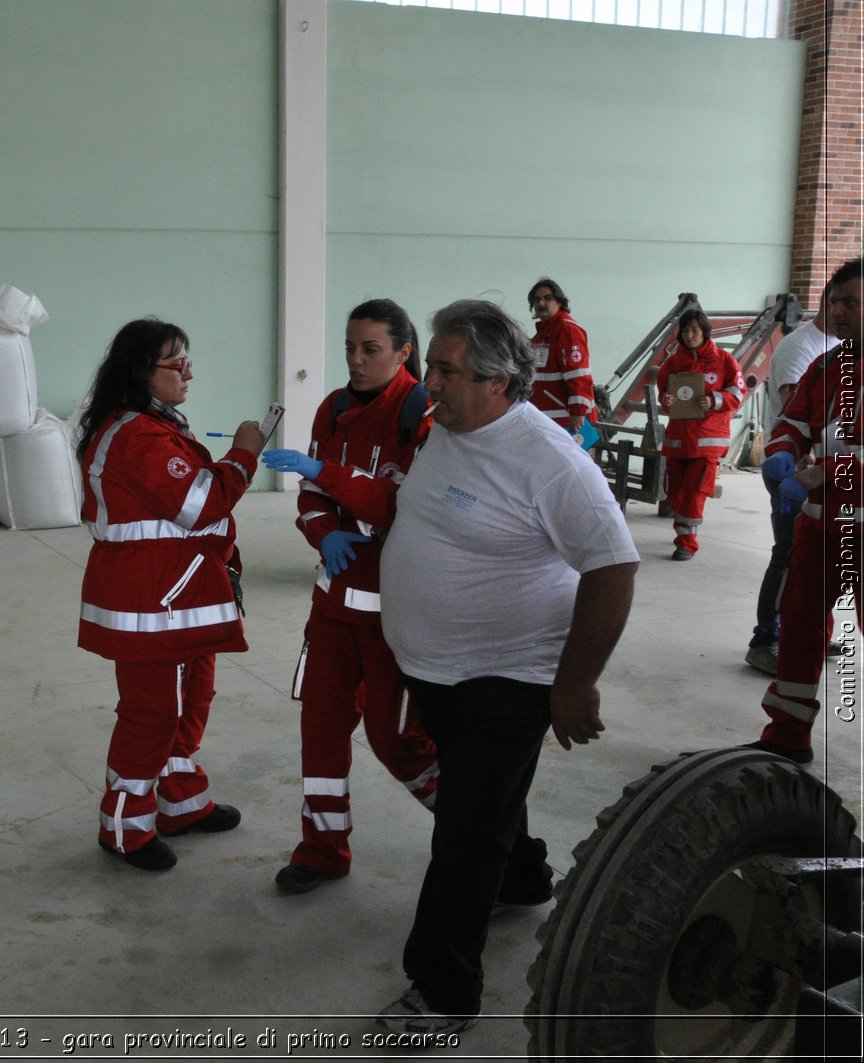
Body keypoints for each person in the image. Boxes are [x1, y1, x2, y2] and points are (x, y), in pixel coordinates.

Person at [375, 299, 639, 1035]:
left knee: (463, 835)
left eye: (447, 368)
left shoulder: (550, 460)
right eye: (432, 364)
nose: (430, 380)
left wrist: (576, 680)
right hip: (435, 668)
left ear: (499, 381)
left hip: (508, 675)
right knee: (479, 801)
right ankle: (523, 877)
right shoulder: (451, 428)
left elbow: (613, 565)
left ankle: (442, 989)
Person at [259, 300, 438, 894]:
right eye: (349, 349)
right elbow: (311, 497)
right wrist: (321, 529)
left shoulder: (423, 413)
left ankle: (478, 835)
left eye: (370, 350)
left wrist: (329, 476)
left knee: (400, 744)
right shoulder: (332, 408)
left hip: (396, 611)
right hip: (334, 607)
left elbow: (400, 507)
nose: (355, 361)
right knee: (322, 728)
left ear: (404, 351)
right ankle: (321, 849)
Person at [76, 318, 265, 871]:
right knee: (152, 713)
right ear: (141, 372)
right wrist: (244, 454)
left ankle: (180, 800)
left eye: (188, 360)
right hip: (151, 601)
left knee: (192, 697)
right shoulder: (139, 435)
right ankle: (124, 827)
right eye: (175, 363)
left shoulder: (153, 426)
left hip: (177, 595)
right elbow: (200, 502)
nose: (189, 373)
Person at [751, 257, 863, 764]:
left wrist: (824, 472)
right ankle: (787, 735)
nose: (840, 311)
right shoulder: (827, 366)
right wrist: (781, 452)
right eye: (836, 301)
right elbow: (795, 421)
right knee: (797, 626)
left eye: (853, 303)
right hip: (819, 529)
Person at [746, 289, 837, 675]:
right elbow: (794, 413)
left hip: (828, 478)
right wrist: (793, 461)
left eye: (857, 303)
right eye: (842, 302)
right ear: (827, 304)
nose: (848, 311)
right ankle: (766, 640)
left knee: (820, 566)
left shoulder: (840, 349)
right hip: (796, 475)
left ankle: (809, 633)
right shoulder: (804, 351)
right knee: (788, 557)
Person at [655, 307, 745, 560]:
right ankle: (683, 531)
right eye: (685, 330)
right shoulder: (673, 363)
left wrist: (716, 400)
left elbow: (737, 394)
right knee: (675, 492)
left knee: (694, 493)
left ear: (705, 331)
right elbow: (663, 392)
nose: (690, 335)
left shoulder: (725, 360)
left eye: (695, 329)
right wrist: (667, 399)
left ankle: (686, 542)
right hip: (677, 439)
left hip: (707, 442)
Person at [527, 277, 598, 434]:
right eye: (537, 299)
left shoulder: (567, 330)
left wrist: (578, 412)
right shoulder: (543, 334)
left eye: (547, 298)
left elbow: (578, 374)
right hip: (550, 420)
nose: (541, 303)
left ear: (559, 302)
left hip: (568, 421)